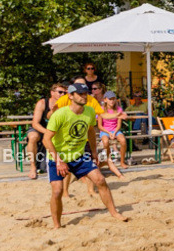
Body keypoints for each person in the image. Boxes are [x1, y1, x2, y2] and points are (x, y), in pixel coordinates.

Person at [43, 83, 126, 228]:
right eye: (80, 93)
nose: (84, 96)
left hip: (79, 155)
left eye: (85, 93)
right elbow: (46, 139)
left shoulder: (88, 111)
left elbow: (90, 132)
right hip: (58, 157)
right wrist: (58, 160)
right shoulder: (60, 114)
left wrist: (93, 152)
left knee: (100, 180)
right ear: (70, 96)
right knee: (57, 191)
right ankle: (57, 226)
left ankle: (114, 212)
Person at [27, 84, 66, 179]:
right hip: (40, 129)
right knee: (32, 137)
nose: (62, 94)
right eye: (60, 92)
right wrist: (47, 132)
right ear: (52, 93)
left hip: (56, 131)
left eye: (65, 93)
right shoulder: (42, 103)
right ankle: (33, 167)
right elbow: (35, 123)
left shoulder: (66, 104)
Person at [96, 91, 128, 175]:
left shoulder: (118, 109)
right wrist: (108, 132)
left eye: (113, 99)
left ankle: (122, 161)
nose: (112, 101)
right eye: (110, 99)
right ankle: (109, 160)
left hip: (115, 130)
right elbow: (99, 126)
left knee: (123, 141)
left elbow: (119, 125)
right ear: (105, 100)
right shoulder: (101, 109)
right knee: (105, 142)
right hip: (104, 130)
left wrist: (114, 133)